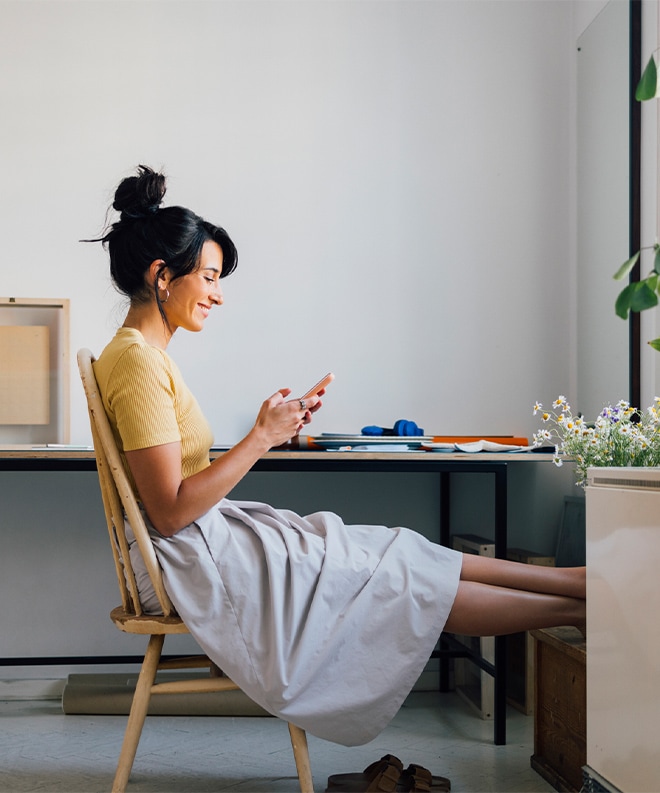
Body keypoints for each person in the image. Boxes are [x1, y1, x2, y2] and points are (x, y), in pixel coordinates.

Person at [88, 165, 585, 747]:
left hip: (205, 542)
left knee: (398, 550)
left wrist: (268, 427)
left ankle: (578, 586)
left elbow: (175, 494)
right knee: (397, 579)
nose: (219, 294)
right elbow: (170, 513)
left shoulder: (144, 356)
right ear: (162, 275)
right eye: (210, 277)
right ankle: (580, 603)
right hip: (185, 557)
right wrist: (261, 438)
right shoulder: (140, 362)